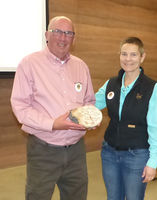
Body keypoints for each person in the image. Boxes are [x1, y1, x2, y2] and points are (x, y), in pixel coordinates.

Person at [10, 16, 95, 200]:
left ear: (74, 39)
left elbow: (89, 101)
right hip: (43, 150)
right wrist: (52, 124)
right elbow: (20, 107)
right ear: (47, 35)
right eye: (58, 31)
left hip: (76, 151)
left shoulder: (81, 66)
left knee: (77, 196)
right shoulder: (29, 64)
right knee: (38, 196)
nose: (63, 38)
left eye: (68, 33)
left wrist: (90, 118)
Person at [95, 37, 157, 200]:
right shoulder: (111, 84)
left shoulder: (152, 88)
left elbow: (156, 127)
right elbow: (90, 104)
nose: (128, 59)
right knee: (113, 197)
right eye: (124, 54)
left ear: (142, 57)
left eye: (133, 55)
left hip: (137, 155)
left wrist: (153, 161)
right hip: (109, 153)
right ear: (119, 55)